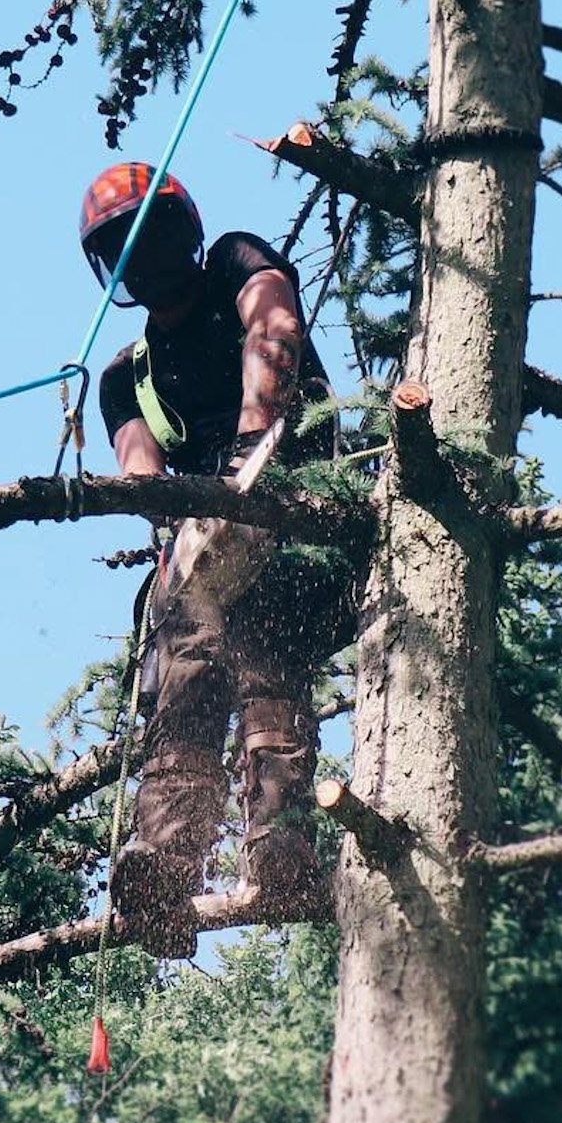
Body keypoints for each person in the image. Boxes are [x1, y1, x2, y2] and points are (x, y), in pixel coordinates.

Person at [80, 162, 355, 957]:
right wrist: (193, 526)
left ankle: (279, 845)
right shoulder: (122, 380)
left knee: (263, 646)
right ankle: (167, 867)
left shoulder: (237, 260)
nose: (149, 261)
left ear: (187, 236)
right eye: (131, 249)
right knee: (196, 659)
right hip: (212, 547)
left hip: (301, 513)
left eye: (155, 239)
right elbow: (143, 478)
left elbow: (273, 326)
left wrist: (248, 448)